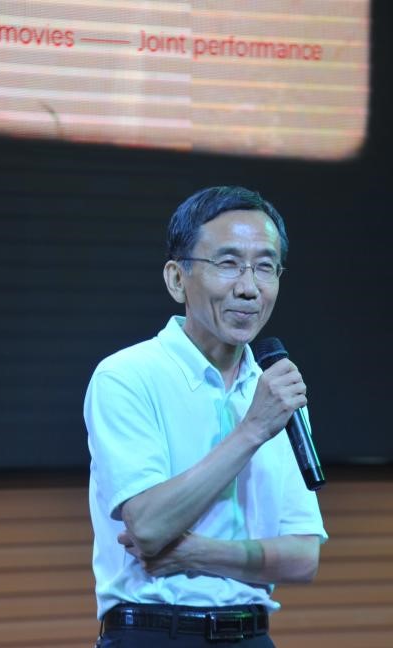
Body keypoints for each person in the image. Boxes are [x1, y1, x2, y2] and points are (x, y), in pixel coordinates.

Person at [85, 186, 327, 647]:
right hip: (155, 632)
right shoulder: (127, 375)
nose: (249, 287)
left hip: (252, 634)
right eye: (229, 263)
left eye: (265, 267)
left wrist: (196, 552)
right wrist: (252, 429)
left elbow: (303, 558)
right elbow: (149, 527)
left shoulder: (275, 389)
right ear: (177, 279)